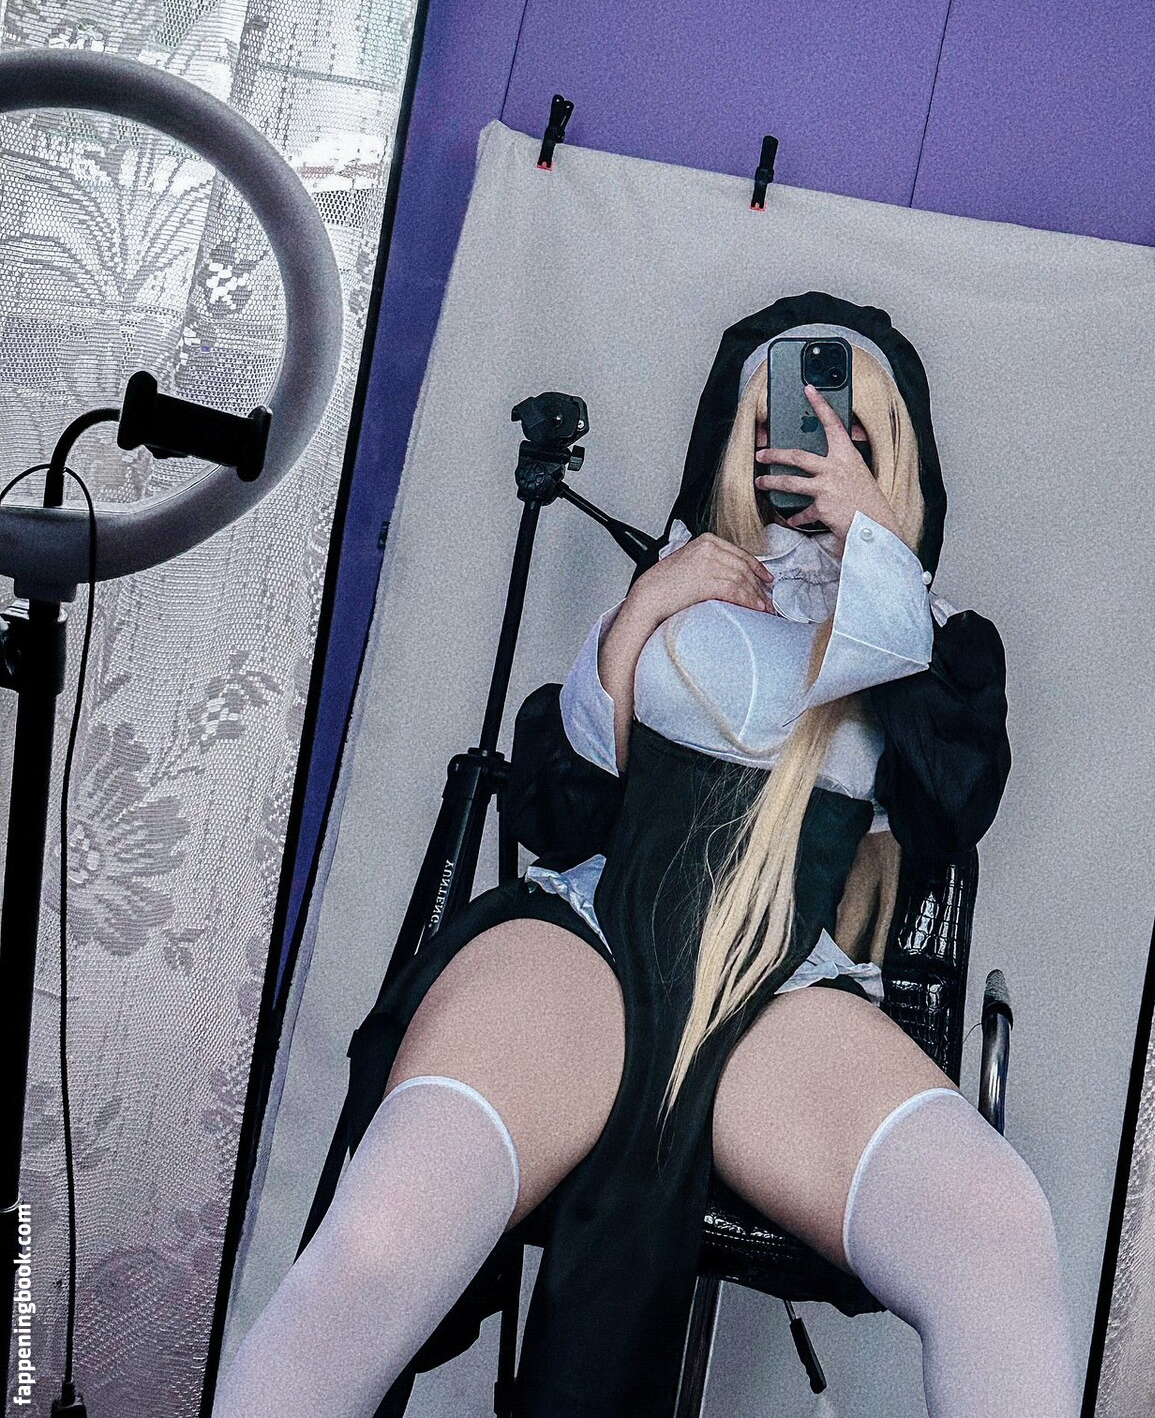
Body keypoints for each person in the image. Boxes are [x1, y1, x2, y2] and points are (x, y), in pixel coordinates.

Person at [216, 293, 1078, 1418]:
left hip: (779, 980)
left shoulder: (928, 635)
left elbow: (950, 807)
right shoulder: (679, 580)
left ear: (892, 452)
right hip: (592, 934)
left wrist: (877, 552)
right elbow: (562, 810)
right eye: (781, 420)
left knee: (996, 1230)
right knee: (385, 1234)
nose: (808, 444)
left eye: (849, 427)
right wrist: (638, 618)